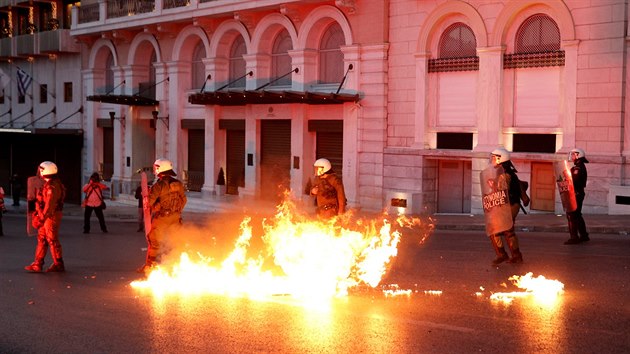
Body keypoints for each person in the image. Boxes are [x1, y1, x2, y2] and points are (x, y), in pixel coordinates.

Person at [137, 158, 187, 274]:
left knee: (153, 241)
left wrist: (147, 198)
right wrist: (176, 211)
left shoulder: (158, 186)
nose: (154, 170)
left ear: (160, 169)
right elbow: (183, 200)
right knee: (176, 241)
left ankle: (150, 266)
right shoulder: (178, 184)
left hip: (162, 218)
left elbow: (148, 203)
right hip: (176, 217)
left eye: (156, 167)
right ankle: (178, 266)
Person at [24, 161, 67, 273]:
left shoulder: (52, 187)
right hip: (47, 215)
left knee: (52, 239)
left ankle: (58, 263)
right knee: (42, 238)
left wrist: (41, 218)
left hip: (50, 216)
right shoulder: (50, 184)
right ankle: (38, 263)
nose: (39, 172)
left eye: (41, 169)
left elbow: (49, 206)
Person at [487, 148, 524, 264]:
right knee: (504, 230)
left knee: (501, 229)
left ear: (500, 158)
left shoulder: (505, 174)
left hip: (510, 205)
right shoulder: (503, 171)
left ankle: (506, 255)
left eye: (494, 157)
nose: (493, 160)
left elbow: (502, 191)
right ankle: (513, 255)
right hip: (509, 205)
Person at [564, 148, 590, 245]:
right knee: (577, 214)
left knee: (572, 215)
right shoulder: (578, 166)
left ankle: (574, 237)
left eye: (573, 154)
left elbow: (574, 180)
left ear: (578, 155)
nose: (572, 156)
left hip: (576, 193)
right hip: (578, 193)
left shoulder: (578, 168)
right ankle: (584, 235)